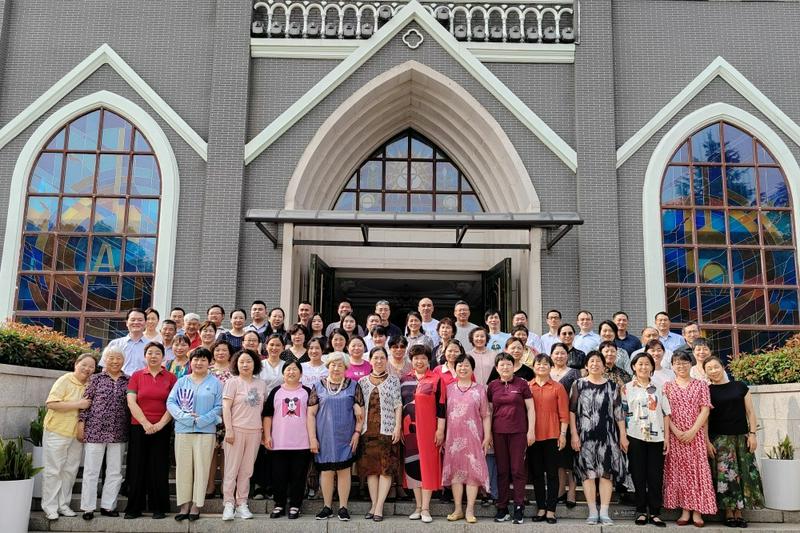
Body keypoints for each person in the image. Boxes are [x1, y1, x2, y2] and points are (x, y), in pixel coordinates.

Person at [569, 351, 629, 526]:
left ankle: (604, 511)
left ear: (604, 366)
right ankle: (592, 511)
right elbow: (572, 411)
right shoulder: (578, 384)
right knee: (588, 474)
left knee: (606, 474)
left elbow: (619, 413)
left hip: (608, 436)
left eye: (598, 361)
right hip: (584, 436)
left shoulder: (612, 386)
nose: (595, 364)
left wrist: (623, 435)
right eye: (591, 361)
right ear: (586, 365)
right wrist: (574, 434)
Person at [705, 356, 764, 528]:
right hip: (720, 439)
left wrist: (752, 434)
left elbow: (750, 412)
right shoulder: (707, 390)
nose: (714, 371)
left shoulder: (740, 386)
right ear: (706, 372)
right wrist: (707, 441)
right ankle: (729, 512)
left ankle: (739, 512)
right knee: (725, 477)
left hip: (741, 438)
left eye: (716, 367)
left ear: (723, 367)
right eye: (709, 368)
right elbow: (706, 419)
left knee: (743, 474)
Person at [167, 347, 223, 522]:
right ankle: (184, 505)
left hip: (205, 432)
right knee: (183, 470)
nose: (199, 363)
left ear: (209, 362)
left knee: (201, 469)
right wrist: (185, 417)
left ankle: (196, 506)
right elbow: (171, 402)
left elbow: (219, 406)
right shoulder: (182, 381)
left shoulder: (216, 383)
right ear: (190, 362)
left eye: (203, 360)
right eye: (196, 359)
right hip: (183, 430)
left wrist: (202, 420)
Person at [307, 352, 365, 521]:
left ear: (346, 368)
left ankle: (343, 507)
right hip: (324, 435)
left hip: (346, 436)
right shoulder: (318, 386)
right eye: (333, 364)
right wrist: (312, 438)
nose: (336, 368)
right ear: (328, 366)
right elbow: (310, 414)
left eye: (340, 365)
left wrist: (357, 432)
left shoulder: (354, 386)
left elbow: (361, 413)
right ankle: (327, 507)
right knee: (326, 471)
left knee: (344, 471)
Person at [663, 351, 716, 526]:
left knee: (697, 471)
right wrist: (676, 431)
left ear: (691, 364)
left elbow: (705, 410)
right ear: (672, 366)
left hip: (696, 435)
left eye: (684, 362)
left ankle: (698, 511)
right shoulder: (667, 387)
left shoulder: (701, 385)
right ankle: (685, 510)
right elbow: (665, 412)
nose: (681, 366)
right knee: (681, 472)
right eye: (677, 363)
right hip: (675, 436)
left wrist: (693, 430)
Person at [125, 342, 177, 519]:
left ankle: (158, 507)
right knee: (137, 466)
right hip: (138, 427)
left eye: (157, 353)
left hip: (162, 427)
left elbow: (173, 404)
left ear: (163, 357)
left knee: (159, 467)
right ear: (144, 356)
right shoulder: (137, 375)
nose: (153, 356)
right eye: (150, 353)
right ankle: (134, 508)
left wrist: (160, 424)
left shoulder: (170, 377)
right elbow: (131, 401)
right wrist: (145, 423)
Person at [437, 353, 491, 524]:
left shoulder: (480, 389)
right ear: (455, 368)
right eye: (460, 365)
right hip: (453, 438)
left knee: (473, 472)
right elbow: (442, 414)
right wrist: (441, 432)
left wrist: (487, 436)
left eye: (466, 365)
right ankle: (458, 509)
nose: (463, 368)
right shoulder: (449, 389)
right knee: (456, 473)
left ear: (472, 368)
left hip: (474, 437)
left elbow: (486, 415)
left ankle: (470, 510)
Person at [42, 353, 96, 520]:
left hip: (77, 435)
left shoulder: (91, 385)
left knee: (70, 471)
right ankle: (50, 507)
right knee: (53, 470)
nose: (87, 369)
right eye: (84, 364)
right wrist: (78, 404)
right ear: (76, 364)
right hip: (57, 431)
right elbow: (51, 403)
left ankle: (63, 505)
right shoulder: (65, 380)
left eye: (91, 367)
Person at [79, 347, 129, 520]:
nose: (115, 361)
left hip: (118, 431)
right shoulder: (96, 379)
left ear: (124, 360)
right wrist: (81, 424)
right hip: (95, 430)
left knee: (115, 471)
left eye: (118, 358)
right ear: (105, 360)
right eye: (111, 357)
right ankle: (88, 507)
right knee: (91, 470)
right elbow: (86, 402)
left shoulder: (128, 380)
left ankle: (108, 506)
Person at [622, 352, 671, 527]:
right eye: (640, 364)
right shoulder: (626, 388)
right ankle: (641, 510)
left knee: (655, 475)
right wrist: (623, 436)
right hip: (635, 435)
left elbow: (666, 413)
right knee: (638, 473)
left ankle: (656, 512)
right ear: (634, 367)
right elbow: (621, 414)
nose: (643, 367)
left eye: (647, 364)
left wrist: (667, 437)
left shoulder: (659, 387)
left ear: (652, 367)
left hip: (657, 437)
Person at [487, 352, 535, 524]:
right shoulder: (492, 386)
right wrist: (488, 434)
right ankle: (502, 507)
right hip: (498, 432)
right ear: (496, 368)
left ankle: (519, 507)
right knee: (502, 471)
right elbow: (489, 412)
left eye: (508, 364)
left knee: (517, 470)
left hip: (518, 432)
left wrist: (531, 431)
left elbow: (531, 408)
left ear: (514, 366)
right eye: (502, 365)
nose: (505, 367)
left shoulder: (522, 383)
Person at [263, 358, 312, 519]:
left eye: (294, 369)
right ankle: (279, 504)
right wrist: (267, 435)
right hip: (279, 442)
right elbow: (268, 415)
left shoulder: (307, 391)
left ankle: (295, 505)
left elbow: (313, 416)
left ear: (301, 373)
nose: (291, 372)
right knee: (279, 475)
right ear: (283, 373)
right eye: (288, 369)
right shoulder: (276, 391)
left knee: (298, 476)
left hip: (302, 443)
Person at [358, 347, 402, 522]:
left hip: (387, 430)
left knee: (385, 469)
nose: (378, 361)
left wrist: (397, 427)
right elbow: (359, 407)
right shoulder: (362, 381)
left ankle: (379, 507)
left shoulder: (393, 380)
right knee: (371, 470)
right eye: (375, 358)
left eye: (382, 358)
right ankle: (373, 504)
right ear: (370, 360)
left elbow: (398, 405)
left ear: (386, 360)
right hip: (367, 431)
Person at [221, 349, 266, 521]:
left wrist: (263, 432)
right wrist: (229, 429)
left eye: (249, 361)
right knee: (231, 469)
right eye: (241, 362)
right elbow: (226, 407)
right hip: (236, 430)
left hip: (255, 431)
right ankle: (228, 504)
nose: (245, 365)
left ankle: (242, 504)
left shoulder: (261, 384)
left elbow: (262, 409)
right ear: (236, 364)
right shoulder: (232, 382)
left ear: (255, 364)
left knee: (247, 471)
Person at [399, 344, 442, 523]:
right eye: (416, 358)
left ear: (428, 360)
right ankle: (417, 506)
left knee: (428, 466)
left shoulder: (436, 379)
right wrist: (399, 428)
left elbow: (442, 406)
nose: (419, 361)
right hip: (409, 431)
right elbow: (400, 405)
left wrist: (440, 430)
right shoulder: (404, 379)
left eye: (423, 358)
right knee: (413, 466)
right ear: (411, 360)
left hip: (429, 430)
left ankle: (425, 508)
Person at [528, 353, 569, 524]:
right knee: (537, 474)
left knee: (552, 474)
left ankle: (551, 510)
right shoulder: (528, 386)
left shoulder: (558, 387)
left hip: (553, 435)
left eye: (545, 364)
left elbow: (564, 414)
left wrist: (563, 434)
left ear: (551, 367)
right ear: (533, 367)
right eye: (538, 364)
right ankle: (541, 508)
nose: (542, 366)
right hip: (533, 437)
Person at [549, 342, 583, 509]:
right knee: (558, 457)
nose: (559, 356)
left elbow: (578, 399)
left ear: (567, 355)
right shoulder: (546, 371)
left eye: (563, 353)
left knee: (571, 458)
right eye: (556, 353)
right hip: (551, 421)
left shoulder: (575, 373)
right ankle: (560, 490)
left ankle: (572, 491)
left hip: (571, 419)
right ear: (551, 355)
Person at [207, 340, 234, 498]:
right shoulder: (207, 370)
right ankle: (210, 486)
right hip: (210, 417)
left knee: (226, 452)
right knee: (211, 451)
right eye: (217, 350)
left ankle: (225, 486)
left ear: (230, 353)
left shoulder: (235, 371)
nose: (221, 353)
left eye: (224, 350)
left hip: (230, 418)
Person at [105, 308, 148, 376]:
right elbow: (105, 367)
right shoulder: (115, 344)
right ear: (127, 323)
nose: (136, 322)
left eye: (140, 320)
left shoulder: (151, 346)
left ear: (145, 323)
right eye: (133, 320)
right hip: (119, 381)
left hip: (143, 381)